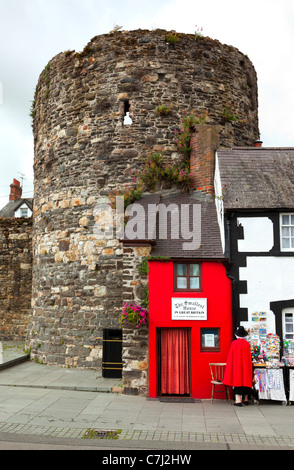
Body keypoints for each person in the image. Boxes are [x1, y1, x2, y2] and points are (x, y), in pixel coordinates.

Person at [223, 326, 253, 407]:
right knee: (246, 380)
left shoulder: (234, 343)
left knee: (238, 381)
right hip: (246, 365)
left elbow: (230, 356)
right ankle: (246, 399)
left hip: (237, 365)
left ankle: (238, 400)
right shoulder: (247, 344)